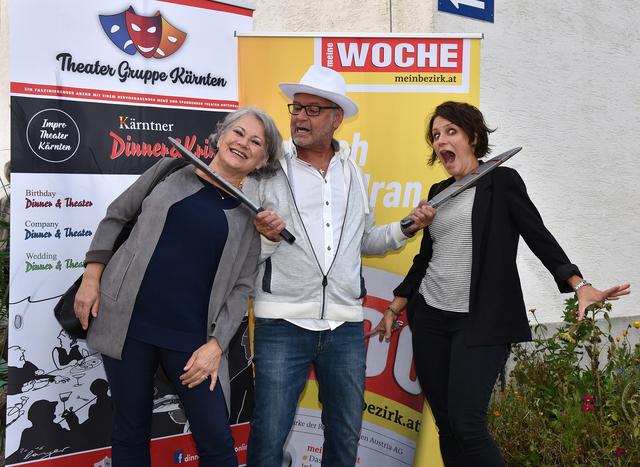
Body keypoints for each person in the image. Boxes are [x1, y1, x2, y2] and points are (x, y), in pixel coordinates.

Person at [368, 101, 631, 466]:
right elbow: (426, 257)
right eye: (435, 136)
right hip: (430, 319)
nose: (440, 141)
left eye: (450, 131)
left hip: (480, 323)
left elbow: (537, 234)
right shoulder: (438, 191)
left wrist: (577, 281)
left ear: (473, 137)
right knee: (447, 424)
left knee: (467, 423)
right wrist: (396, 306)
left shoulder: (502, 182)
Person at [246, 65, 434, 466]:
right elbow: (243, 249)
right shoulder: (267, 170)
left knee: (346, 435)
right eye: (297, 108)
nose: (301, 117)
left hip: (346, 326)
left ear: (337, 119)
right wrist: (265, 235)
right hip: (282, 323)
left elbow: (363, 242)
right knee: (268, 436)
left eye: (314, 110)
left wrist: (406, 226)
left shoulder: (352, 174)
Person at [74, 107, 283, 467]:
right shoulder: (170, 170)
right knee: (130, 431)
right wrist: (91, 279)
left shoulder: (254, 216)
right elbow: (116, 215)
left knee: (217, 442)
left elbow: (242, 287)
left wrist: (216, 346)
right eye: (238, 132)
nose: (242, 144)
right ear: (220, 136)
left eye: (255, 142)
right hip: (127, 326)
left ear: (262, 159)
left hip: (191, 341)